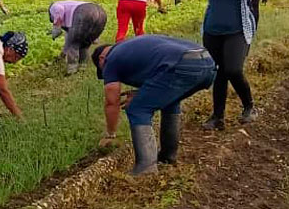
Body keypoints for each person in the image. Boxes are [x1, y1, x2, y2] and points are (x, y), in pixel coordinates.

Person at [92, 35, 215, 175]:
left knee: (137, 108)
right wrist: (142, 93)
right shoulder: (131, 48)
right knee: (170, 102)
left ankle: (146, 168)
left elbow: (111, 102)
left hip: (181, 65)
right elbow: (158, 75)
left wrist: (110, 134)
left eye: (102, 69)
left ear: (101, 59)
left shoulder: (110, 60)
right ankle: (168, 156)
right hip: (207, 62)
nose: (105, 73)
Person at [186, 0, 266, 129]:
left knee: (233, 70)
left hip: (237, 33)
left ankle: (249, 106)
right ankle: (217, 117)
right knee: (219, 73)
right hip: (212, 33)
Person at [48, 0, 108, 74]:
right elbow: (68, 39)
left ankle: (72, 69)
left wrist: (56, 27)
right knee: (84, 44)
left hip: (84, 12)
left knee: (73, 43)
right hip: (101, 13)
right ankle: (82, 66)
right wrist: (62, 55)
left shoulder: (54, 6)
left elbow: (59, 9)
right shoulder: (69, 6)